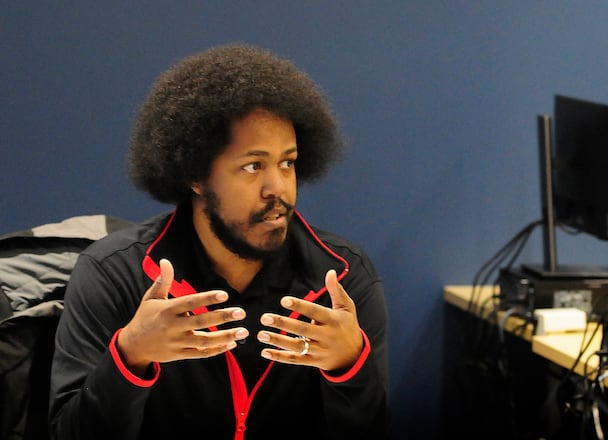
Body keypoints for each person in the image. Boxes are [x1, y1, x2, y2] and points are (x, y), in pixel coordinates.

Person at [49, 44, 390, 440]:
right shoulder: (114, 274)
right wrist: (130, 357)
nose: (277, 188)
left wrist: (350, 368)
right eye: (252, 166)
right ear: (195, 174)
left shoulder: (341, 280)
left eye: (288, 163)